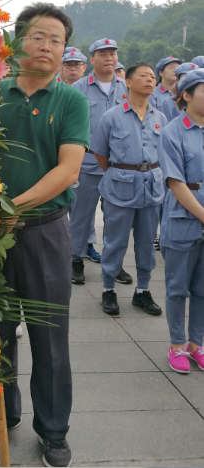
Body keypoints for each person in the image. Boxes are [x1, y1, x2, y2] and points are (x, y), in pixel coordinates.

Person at [0, 3, 89, 468]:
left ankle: (54, 430)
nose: (45, 46)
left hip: (43, 233)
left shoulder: (70, 100)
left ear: (64, 50)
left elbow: (67, 169)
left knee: (49, 333)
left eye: (55, 40)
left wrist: (11, 208)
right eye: (37, 36)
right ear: (17, 39)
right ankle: (1, 416)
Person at [91, 63, 166, 316]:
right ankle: (108, 289)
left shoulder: (160, 117)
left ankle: (143, 291)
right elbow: (100, 153)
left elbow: (164, 153)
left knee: (146, 242)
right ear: (129, 83)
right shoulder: (112, 116)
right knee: (115, 242)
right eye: (144, 76)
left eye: (153, 77)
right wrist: (120, 172)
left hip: (152, 188)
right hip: (120, 188)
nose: (150, 80)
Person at [69, 39, 128, 285]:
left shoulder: (127, 88)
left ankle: (114, 264)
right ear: (91, 61)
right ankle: (75, 260)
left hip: (118, 167)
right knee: (81, 216)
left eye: (112, 53)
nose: (108, 58)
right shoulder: (79, 88)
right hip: (87, 164)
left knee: (116, 218)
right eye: (102, 54)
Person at [158, 68, 204, 374]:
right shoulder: (172, 131)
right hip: (183, 217)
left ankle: (196, 343)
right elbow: (176, 182)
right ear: (186, 96)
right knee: (177, 287)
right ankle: (176, 344)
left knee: (203, 287)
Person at [59, 48, 101, 262]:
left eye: (77, 65)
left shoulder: (89, 92)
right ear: (62, 68)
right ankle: (63, 248)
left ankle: (88, 244)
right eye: (69, 65)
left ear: (85, 67)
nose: (73, 69)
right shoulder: (54, 91)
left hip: (85, 160)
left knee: (83, 208)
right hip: (57, 159)